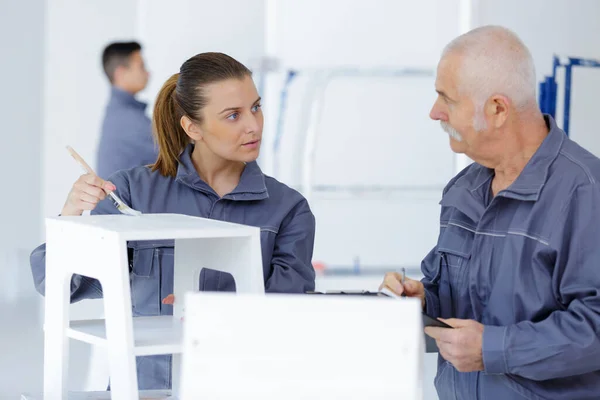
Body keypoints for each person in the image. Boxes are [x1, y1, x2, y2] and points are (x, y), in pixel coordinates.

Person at [30, 52, 316, 390]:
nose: (253, 125)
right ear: (192, 127)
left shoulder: (288, 209)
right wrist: (71, 215)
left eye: (256, 107)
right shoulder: (132, 193)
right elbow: (58, 284)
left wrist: (204, 313)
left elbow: (285, 319)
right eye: (233, 115)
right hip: (141, 390)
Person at [380, 25, 600, 399]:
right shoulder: (463, 189)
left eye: (446, 99)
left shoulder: (585, 192)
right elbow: (459, 297)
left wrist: (493, 349)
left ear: (498, 109)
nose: (434, 113)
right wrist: (423, 301)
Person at [97, 41, 158, 178]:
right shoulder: (128, 120)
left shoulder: (117, 114)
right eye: (141, 67)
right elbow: (182, 154)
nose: (147, 73)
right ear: (121, 73)